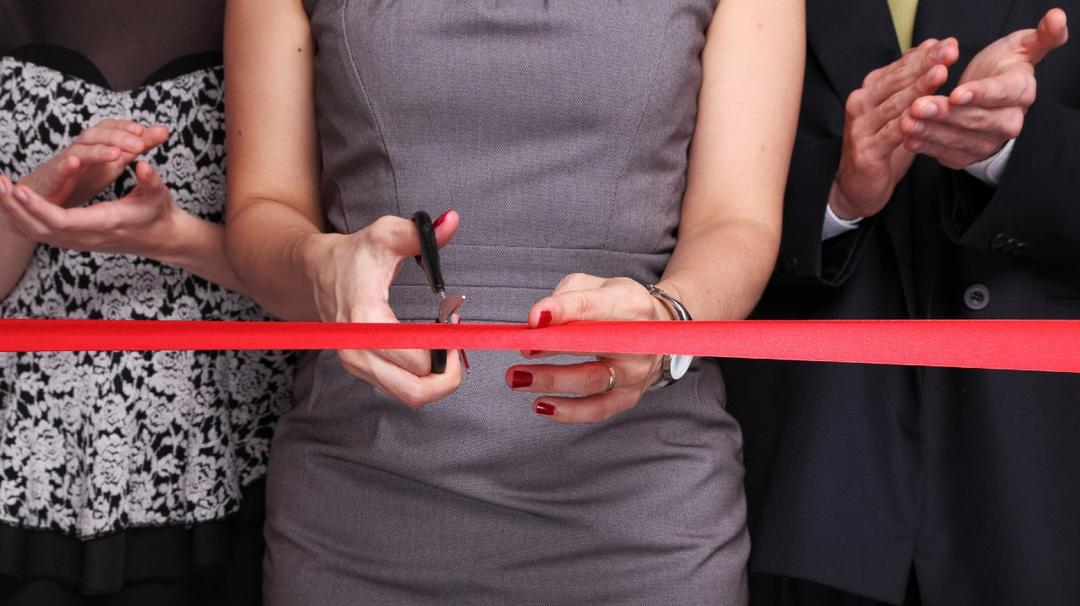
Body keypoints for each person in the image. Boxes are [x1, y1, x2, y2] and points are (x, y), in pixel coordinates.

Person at [224, 0, 803, 602]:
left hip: (642, 518)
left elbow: (736, 221)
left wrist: (667, 320)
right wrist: (324, 267)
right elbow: (260, 211)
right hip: (355, 505)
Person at [721, 2, 1080, 605]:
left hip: (1041, 467)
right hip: (805, 475)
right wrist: (835, 193)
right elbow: (657, 172)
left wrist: (1011, 149)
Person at [0, 2, 294, 603]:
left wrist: (175, 239)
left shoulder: (278, 12)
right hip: (28, 454)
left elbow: (312, 272)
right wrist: (33, 201)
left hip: (227, 447)